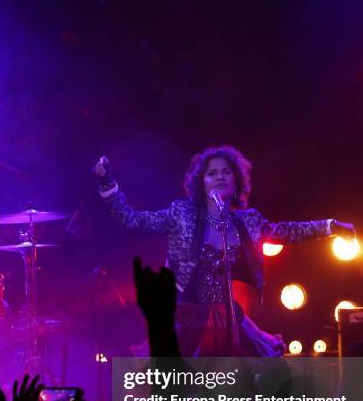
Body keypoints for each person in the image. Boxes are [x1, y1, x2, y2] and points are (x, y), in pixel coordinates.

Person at [94, 146, 355, 357]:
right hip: (186, 315)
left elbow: (286, 231)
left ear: (236, 181)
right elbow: (131, 220)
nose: (219, 176)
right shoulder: (181, 214)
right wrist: (107, 183)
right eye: (212, 173)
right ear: (201, 183)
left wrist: (330, 226)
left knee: (249, 381)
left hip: (227, 316)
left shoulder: (247, 221)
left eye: (226, 172)